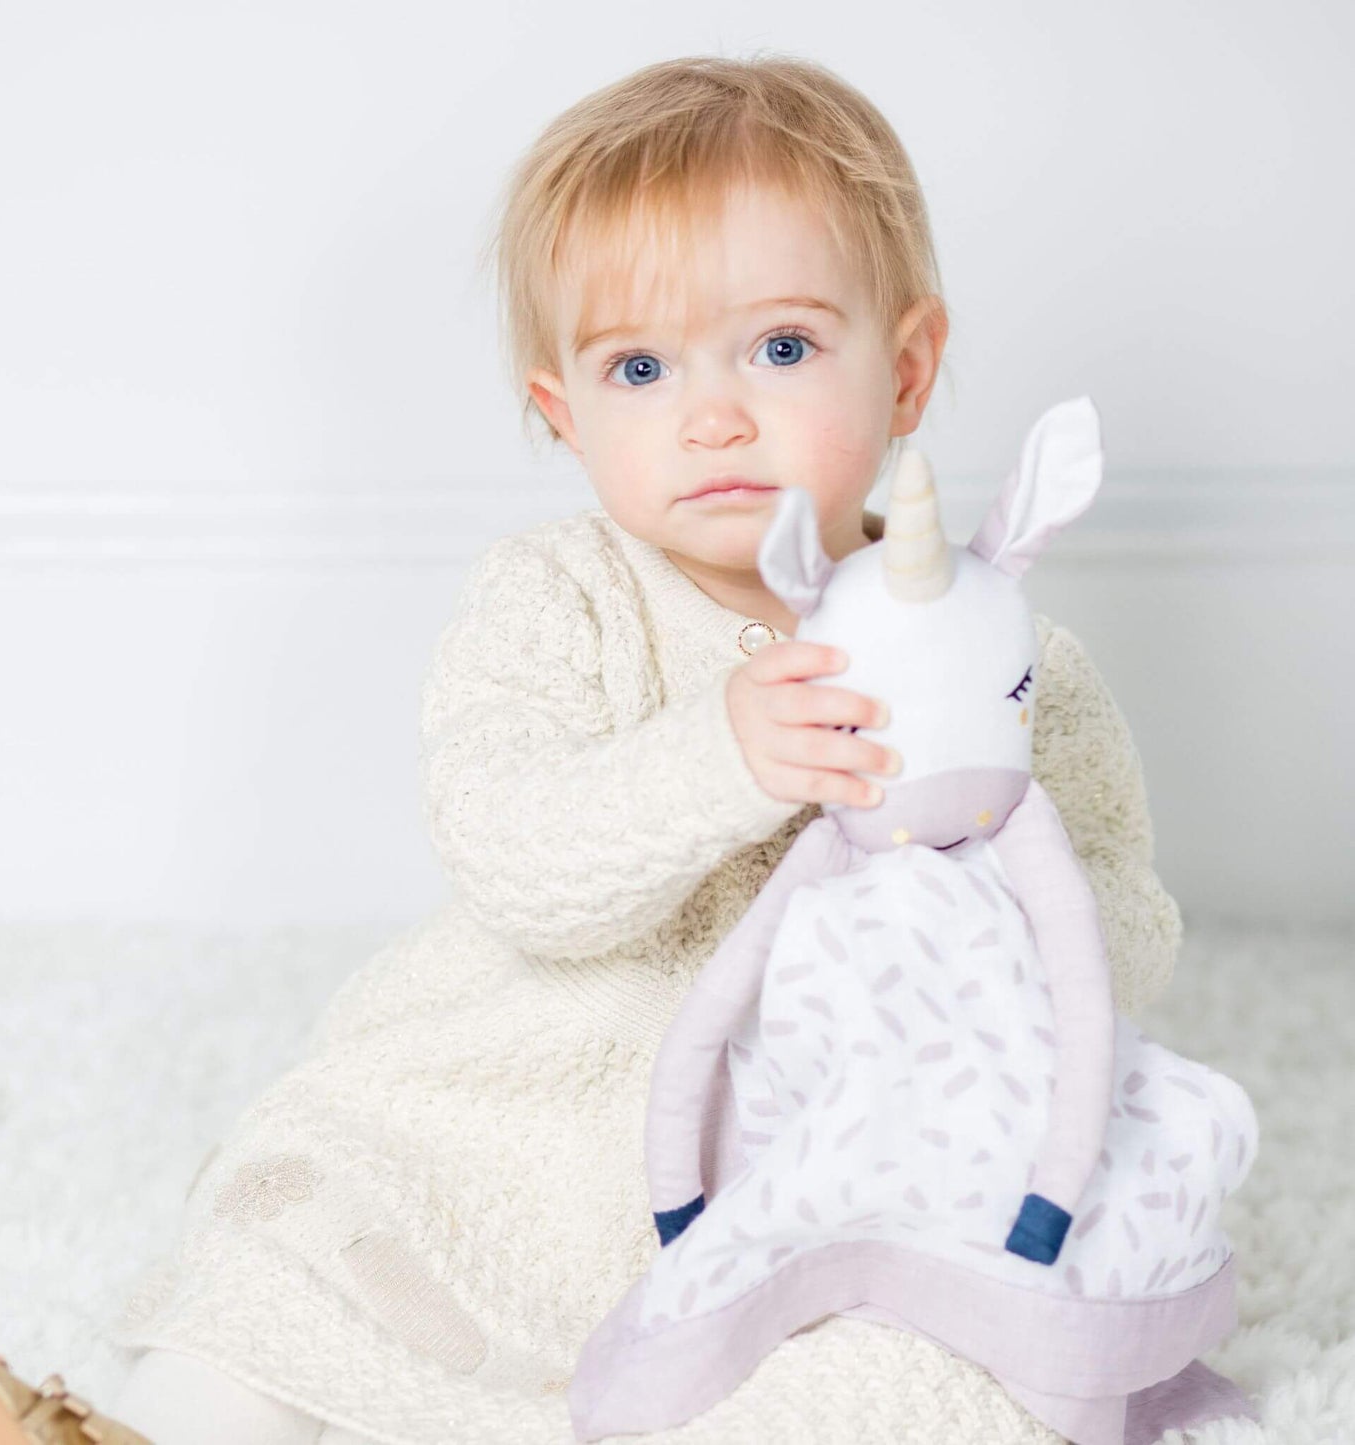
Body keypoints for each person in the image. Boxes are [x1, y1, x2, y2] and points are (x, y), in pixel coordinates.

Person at [106, 53, 1183, 1444]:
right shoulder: (556, 597)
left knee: (942, 1360)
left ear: (905, 368)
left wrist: (975, 908)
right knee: (287, 1279)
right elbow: (511, 853)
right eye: (638, 366)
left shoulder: (1002, 657)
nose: (711, 411)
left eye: (781, 348)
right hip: (511, 1121)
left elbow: (1124, 925)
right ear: (564, 411)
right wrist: (719, 757)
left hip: (824, 1171)